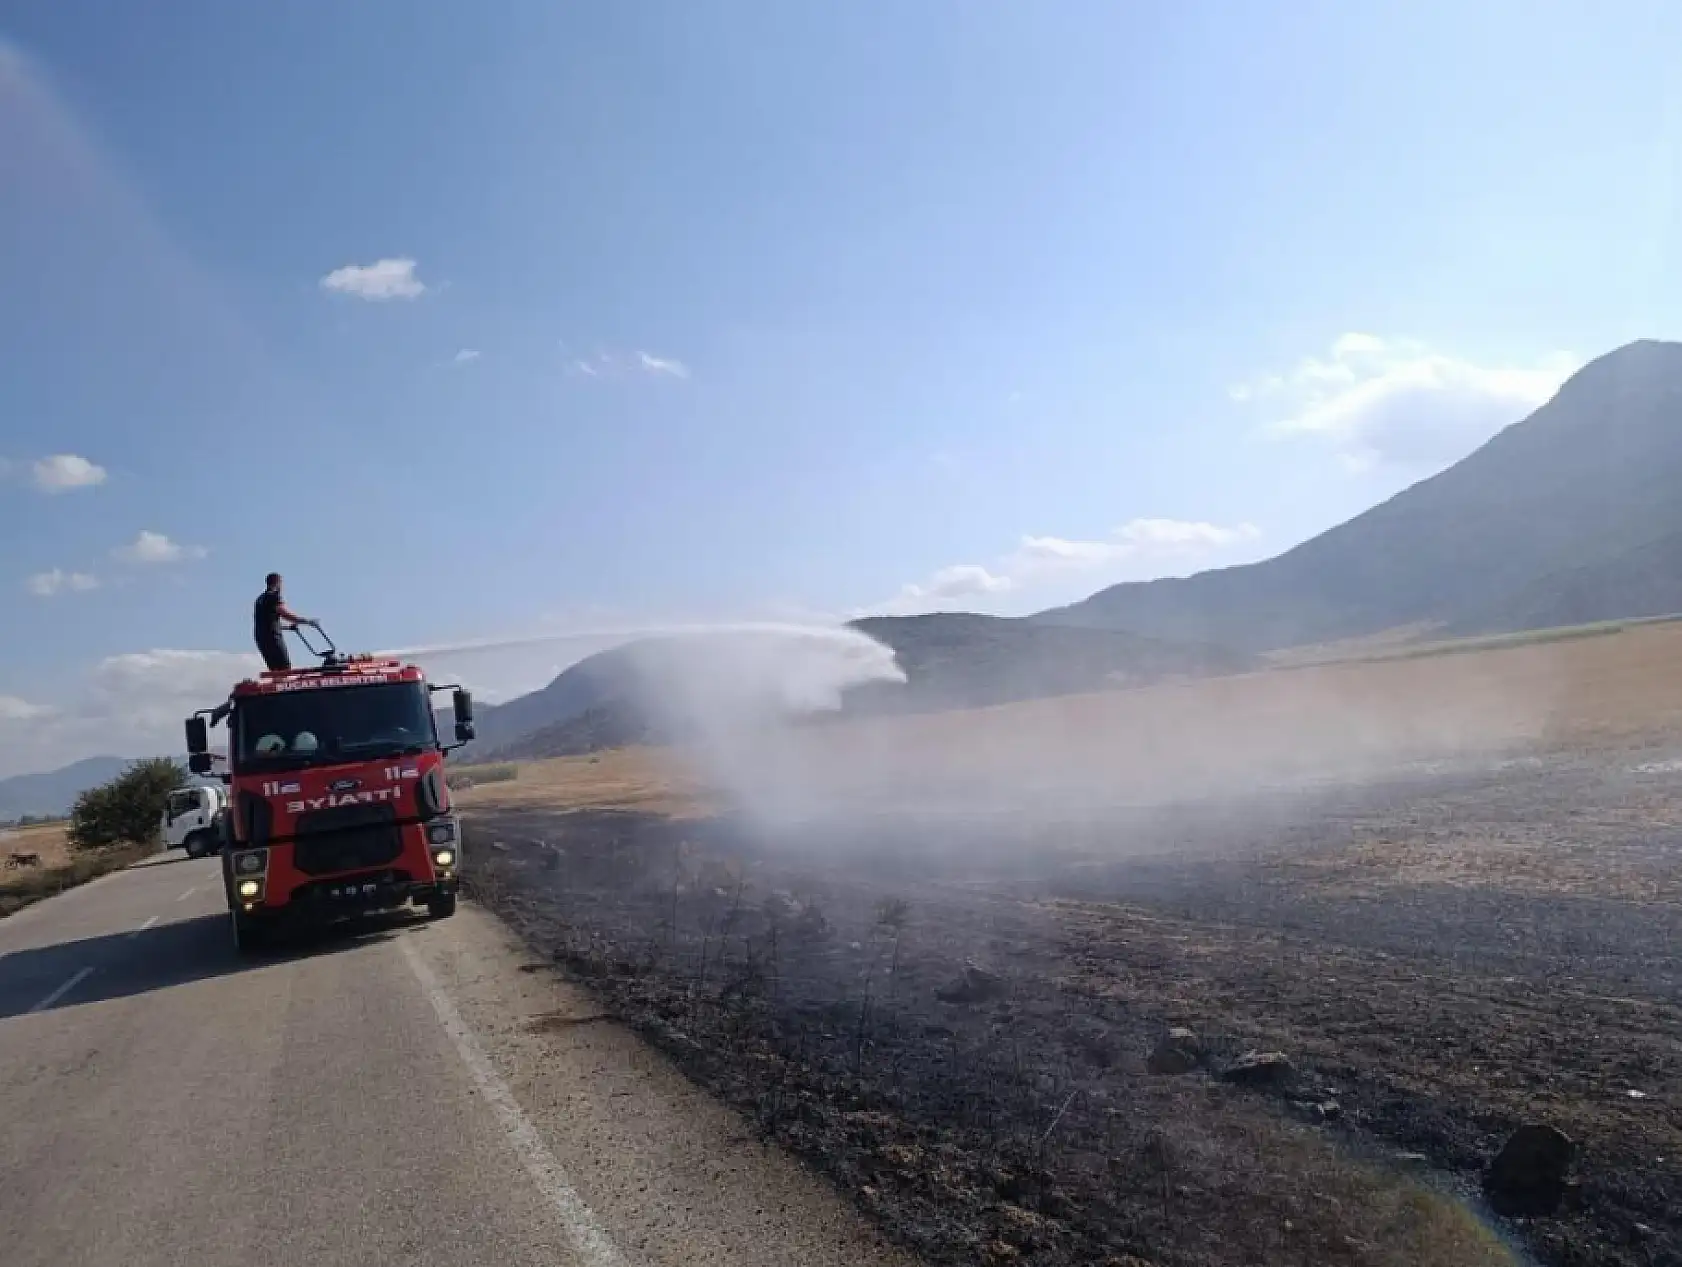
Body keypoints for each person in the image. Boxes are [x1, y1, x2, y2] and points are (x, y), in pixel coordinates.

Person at [253, 573, 316, 672]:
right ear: (278, 583)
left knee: (275, 669)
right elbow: (284, 614)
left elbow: (268, 621)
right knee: (285, 667)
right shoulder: (274, 596)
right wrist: (307, 621)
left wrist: (289, 627)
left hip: (261, 637)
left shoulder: (260, 599)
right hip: (272, 637)